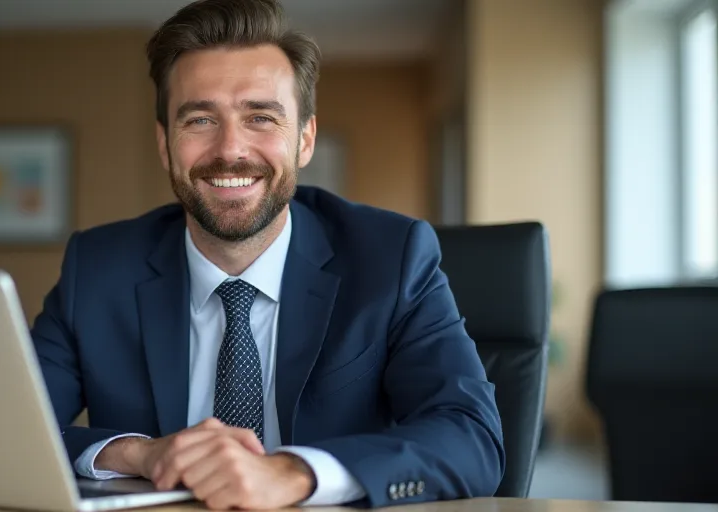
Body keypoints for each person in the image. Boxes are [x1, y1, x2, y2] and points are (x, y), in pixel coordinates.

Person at [30, 0, 505, 509]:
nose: (230, 149)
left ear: (304, 140)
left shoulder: (392, 257)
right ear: (166, 145)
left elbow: (470, 436)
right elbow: (6, 431)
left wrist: (293, 472)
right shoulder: (97, 268)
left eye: (260, 117)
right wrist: (136, 454)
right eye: (199, 120)